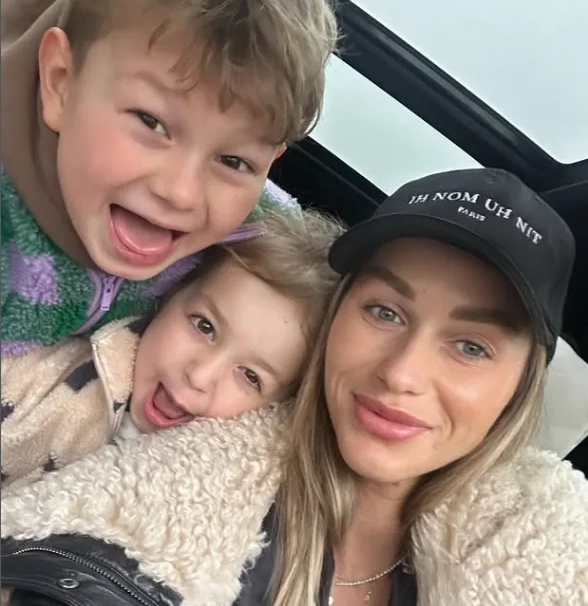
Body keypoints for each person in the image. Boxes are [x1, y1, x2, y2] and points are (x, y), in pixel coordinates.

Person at [2, 168, 588, 606]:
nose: (402, 373)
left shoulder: (554, 554)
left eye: (471, 346)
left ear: (520, 385)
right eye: (384, 312)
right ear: (336, 319)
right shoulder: (156, 501)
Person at [0, 0, 337, 355]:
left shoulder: (259, 235)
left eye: (233, 161)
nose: (181, 192)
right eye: (151, 122)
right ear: (61, 82)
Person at [1, 208, 341, 486]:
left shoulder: (225, 485)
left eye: (251, 376)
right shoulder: (43, 375)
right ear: (171, 293)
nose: (200, 375)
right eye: (204, 326)